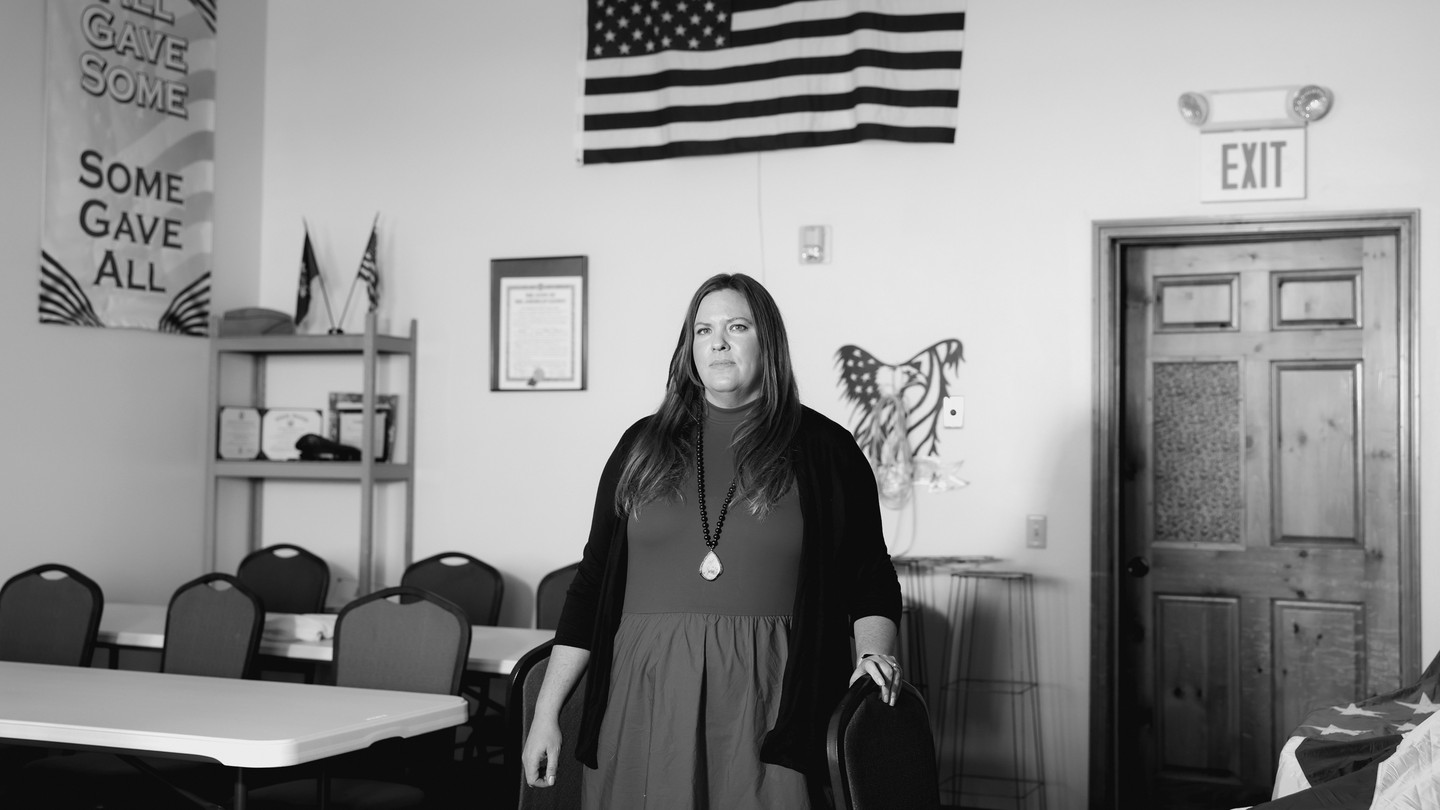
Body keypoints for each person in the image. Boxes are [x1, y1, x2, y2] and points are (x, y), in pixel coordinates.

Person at [521, 272, 903, 809]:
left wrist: (872, 659)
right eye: (703, 330)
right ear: (689, 347)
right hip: (643, 694)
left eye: (737, 326)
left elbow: (870, 577)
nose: (718, 342)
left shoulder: (828, 450)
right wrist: (546, 713)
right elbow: (590, 585)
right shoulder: (639, 446)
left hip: (770, 694)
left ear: (767, 342)